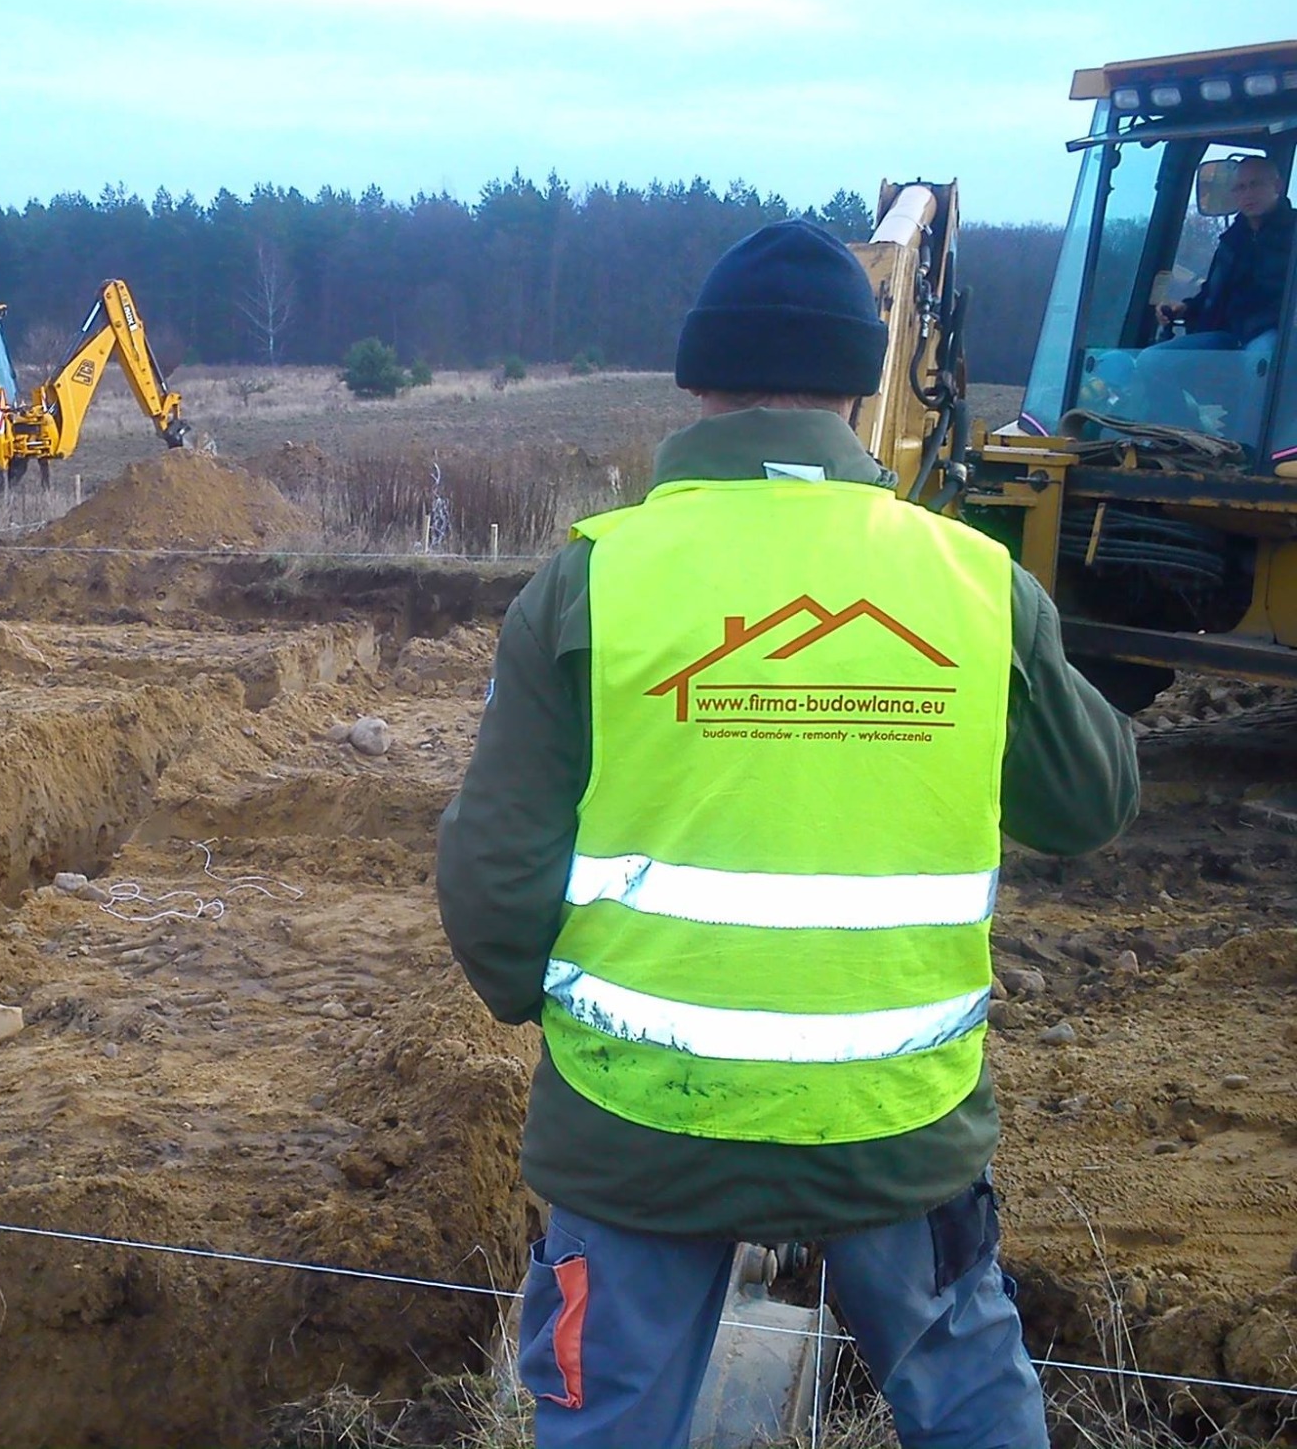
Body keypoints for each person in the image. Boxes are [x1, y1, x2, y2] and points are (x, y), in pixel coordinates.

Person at [437, 219, 1140, 1449]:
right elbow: (1085, 806)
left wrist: (532, 1004)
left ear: (697, 379)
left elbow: (492, 878)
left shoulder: (595, 579)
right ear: (860, 382)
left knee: (603, 1424)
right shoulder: (972, 584)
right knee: (972, 1412)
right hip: (894, 1127)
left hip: (639, 1118)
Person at [1153, 154, 1292, 354]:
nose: (1247, 194)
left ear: (1277, 186)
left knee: (1260, 361)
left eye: (1255, 185)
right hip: (1226, 336)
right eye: (1240, 188)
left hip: (1274, 333)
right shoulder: (1231, 241)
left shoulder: (1293, 233)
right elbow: (1213, 294)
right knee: (1154, 360)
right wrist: (1184, 308)